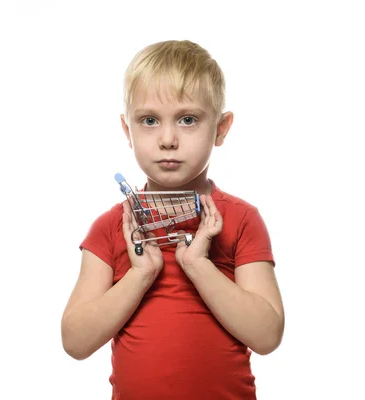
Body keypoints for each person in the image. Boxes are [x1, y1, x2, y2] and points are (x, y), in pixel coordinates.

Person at [61, 39, 285, 400]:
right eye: (149, 120)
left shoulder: (242, 220)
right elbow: (75, 341)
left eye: (188, 120)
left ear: (221, 128)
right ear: (127, 131)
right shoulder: (110, 227)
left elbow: (267, 336)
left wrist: (199, 265)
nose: (167, 139)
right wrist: (140, 275)